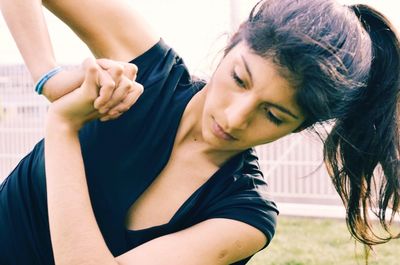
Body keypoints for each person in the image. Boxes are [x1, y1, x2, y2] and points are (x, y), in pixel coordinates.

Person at [0, 0, 399, 264]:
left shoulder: (243, 217)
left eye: (274, 115)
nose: (235, 117)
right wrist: (46, 74)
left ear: (302, 125)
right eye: (240, 79)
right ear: (232, 43)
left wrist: (63, 126)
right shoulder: (149, 69)